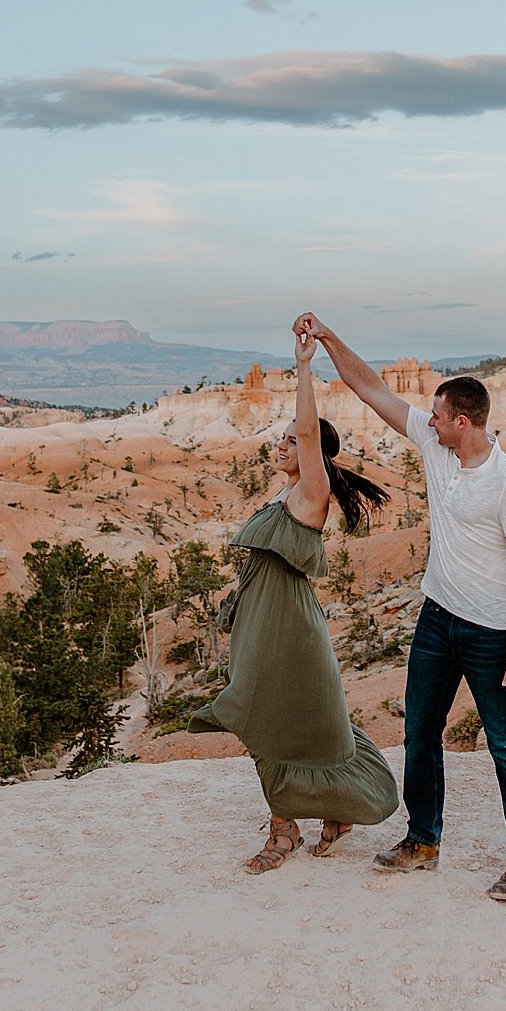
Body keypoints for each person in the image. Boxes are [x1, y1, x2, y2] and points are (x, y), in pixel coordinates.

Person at [292, 313, 506, 902]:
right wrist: (328, 338)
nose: (427, 421)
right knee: (420, 735)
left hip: (491, 634)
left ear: (464, 421)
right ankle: (423, 841)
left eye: (438, 415)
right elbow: (373, 388)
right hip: (437, 619)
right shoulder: (436, 445)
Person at [187, 326, 399, 873]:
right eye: (279, 439)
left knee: (270, 720)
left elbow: (309, 434)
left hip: (289, 629)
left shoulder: (312, 491)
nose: (280, 444)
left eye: (289, 440)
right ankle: (320, 816)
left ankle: (287, 833)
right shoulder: (284, 494)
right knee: (274, 720)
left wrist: (304, 366)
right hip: (264, 620)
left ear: (312, 454)